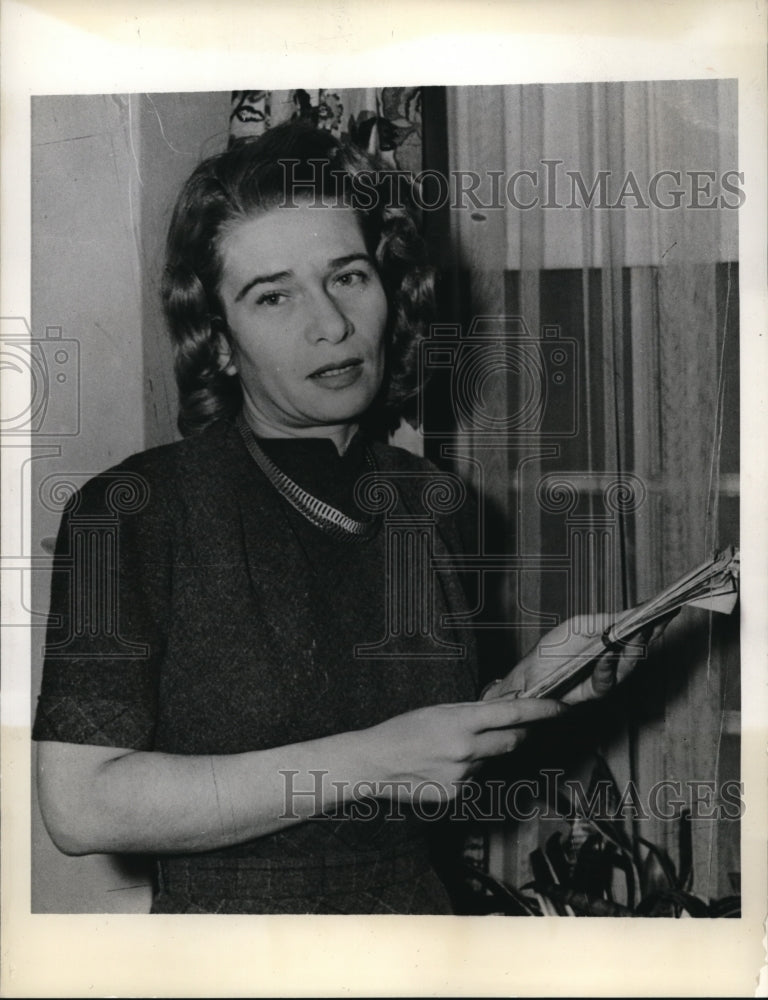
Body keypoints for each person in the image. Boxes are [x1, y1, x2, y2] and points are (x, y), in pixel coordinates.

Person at [33, 122, 649, 915]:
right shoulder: (135, 511)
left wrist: (533, 688)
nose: (328, 324)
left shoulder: (436, 502)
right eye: (273, 295)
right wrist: (373, 761)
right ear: (219, 341)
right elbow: (81, 806)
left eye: (348, 277)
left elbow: (422, 763)